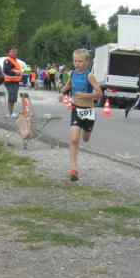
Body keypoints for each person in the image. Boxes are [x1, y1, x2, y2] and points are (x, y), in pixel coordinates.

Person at [59, 49, 103, 182]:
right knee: (73, 139)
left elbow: (99, 93)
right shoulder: (72, 73)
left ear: (87, 62)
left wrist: (85, 95)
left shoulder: (90, 76)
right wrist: (62, 92)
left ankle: (87, 130)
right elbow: (68, 84)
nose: (77, 63)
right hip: (76, 109)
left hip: (88, 111)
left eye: (80, 61)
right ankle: (73, 169)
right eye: (75, 61)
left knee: (86, 139)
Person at [3, 47, 23, 117]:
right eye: (13, 51)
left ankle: (11, 113)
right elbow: (6, 70)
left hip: (15, 81)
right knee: (11, 97)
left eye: (16, 51)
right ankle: (10, 113)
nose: (15, 53)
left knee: (13, 98)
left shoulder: (14, 60)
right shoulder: (8, 60)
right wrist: (16, 73)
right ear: (9, 52)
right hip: (10, 81)